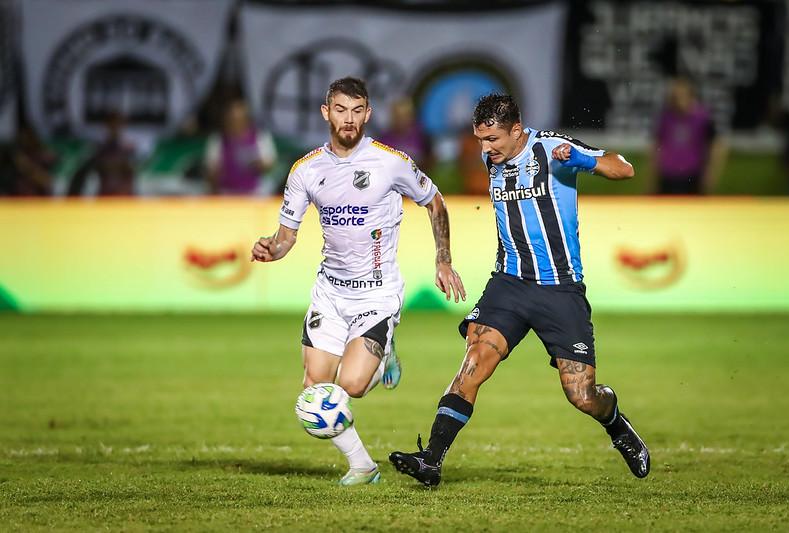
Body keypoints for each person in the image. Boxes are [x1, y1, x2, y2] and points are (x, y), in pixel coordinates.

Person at [389, 93, 649, 487]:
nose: (485, 149)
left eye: (492, 139)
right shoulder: (491, 159)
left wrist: (581, 160)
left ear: (516, 130)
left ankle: (615, 423)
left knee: (581, 394)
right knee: (474, 362)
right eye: (480, 140)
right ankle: (431, 460)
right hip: (509, 283)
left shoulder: (551, 149)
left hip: (560, 289)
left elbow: (624, 168)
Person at [250, 77, 466, 486]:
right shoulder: (306, 170)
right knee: (313, 391)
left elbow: (434, 200)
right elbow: (287, 236)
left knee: (352, 386)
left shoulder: (390, 162)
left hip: (377, 294)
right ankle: (363, 466)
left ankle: (383, 351)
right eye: (340, 110)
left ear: (367, 113)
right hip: (330, 292)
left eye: (356, 110)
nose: (348, 119)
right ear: (325, 113)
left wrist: (443, 260)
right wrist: (271, 249)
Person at [650, 78, 727, 195]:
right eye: (675, 97)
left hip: (692, 175)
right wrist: (652, 174)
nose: (678, 100)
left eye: (682, 96)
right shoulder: (666, 116)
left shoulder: (702, 117)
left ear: (691, 97)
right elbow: (656, 146)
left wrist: (711, 171)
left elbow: (718, 145)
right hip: (668, 175)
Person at [205, 100, 278, 195]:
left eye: (239, 120)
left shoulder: (260, 137)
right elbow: (210, 172)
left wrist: (257, 164)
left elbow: (270, 164)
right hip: (226, 195)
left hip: (254, 193)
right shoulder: (217, 140)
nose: (236, 124)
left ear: (247, 120)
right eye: (232, 120)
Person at [68, 112, 136, 196]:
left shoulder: (129, 149)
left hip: (125, 198)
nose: (115, 127)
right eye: (112, 124)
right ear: (107, 125)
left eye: (118, 124)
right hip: (105, 197)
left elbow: (134, 174)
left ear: (123, 125)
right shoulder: (99, 149)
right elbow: (80, 174)